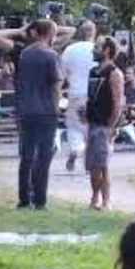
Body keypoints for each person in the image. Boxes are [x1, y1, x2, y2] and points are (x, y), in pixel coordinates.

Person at [0, 20, 65, 210]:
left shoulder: (23, 53)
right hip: (46, 111)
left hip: (25, 110)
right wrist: (56, 108)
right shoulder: (52, 55)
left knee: (26, 157)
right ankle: (40, 201)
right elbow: (56, 85)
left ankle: (24, 199)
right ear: (50, 35)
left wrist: (22, 31)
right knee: (44, 157)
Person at [84, 37, 124, 211]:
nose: (93, 50)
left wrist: (111, 127)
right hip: (92, 122)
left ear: (107, 50)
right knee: (92, 164)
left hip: (105, 124)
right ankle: (94, 197)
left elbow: (118, 103)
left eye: (97, 47)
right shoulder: (93, 72)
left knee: (103, 164)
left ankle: (106, 200)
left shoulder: (114, 73)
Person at [59, 20, 97, 172]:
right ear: (94, 32)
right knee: (92, 127)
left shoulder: (70, 49)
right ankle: (90, 161)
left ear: (80, 32)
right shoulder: (97, 49)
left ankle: (76, 148)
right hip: (95, 93)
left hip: (75, 92)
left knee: (74, 125)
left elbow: (62, 72)